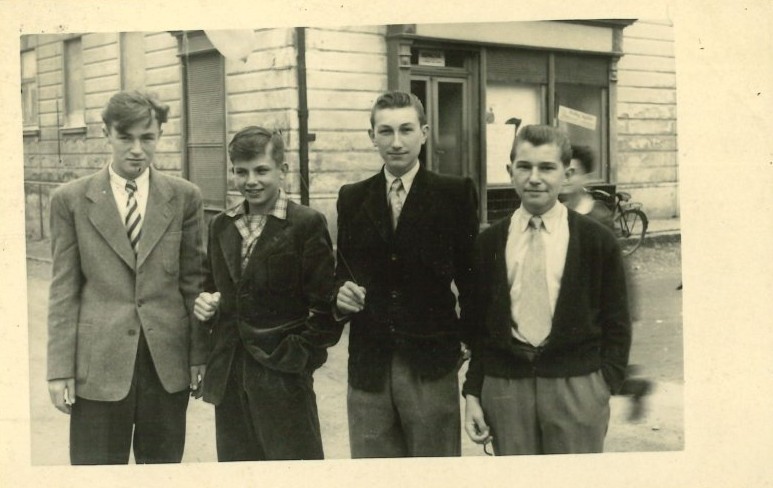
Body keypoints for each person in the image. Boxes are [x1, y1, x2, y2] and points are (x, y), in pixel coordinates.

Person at [46, 90, 208, 464]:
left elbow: (193, 283)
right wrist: (59, 370)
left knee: (162, 472)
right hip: (98, 367)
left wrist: (198, 354)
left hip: (166, 365)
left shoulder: (185, 197)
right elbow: (63, 291)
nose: (137, 149)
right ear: (107, 133)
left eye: (147, 138)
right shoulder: (70, 200)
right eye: (125, 137)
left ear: (160, 135)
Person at [463, 125, 631, 455]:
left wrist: (603, 384)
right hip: (507, 388)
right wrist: (473, 393)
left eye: (547, 168)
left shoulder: (596, 240)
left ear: (566, 174)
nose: (534, 178)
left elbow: (617, 321)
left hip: (577, 386)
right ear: (510, 171)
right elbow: (479, 329)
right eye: (524, 167)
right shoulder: (488, 243)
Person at [335, 91, 479, 458]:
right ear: (372, 136)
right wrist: (340, 294)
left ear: (424, 133)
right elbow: (342, 273)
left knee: (434, 469)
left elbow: (472, 279)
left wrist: (466, 342)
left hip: (430, 361)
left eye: (406, 130)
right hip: (369, 363)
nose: (396, 142)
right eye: (385, 131)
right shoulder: (352, 198)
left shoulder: (454, 194)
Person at [193, 126, 341, 461]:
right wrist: (206, 304)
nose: (251, 181)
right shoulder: (221, 225)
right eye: (241, 172)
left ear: (282, 170)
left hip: (284, 377)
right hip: (230, 375)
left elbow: (325, 308)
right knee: (240, 472)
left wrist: (299, 359)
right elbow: (211, 286)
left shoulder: (306, 223)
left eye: (261, 170)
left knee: (294, 472)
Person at [560, 144, 615, 229]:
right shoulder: (557, 212)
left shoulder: (599, 218)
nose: (565, 179)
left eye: (572, 173)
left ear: (585, 177)